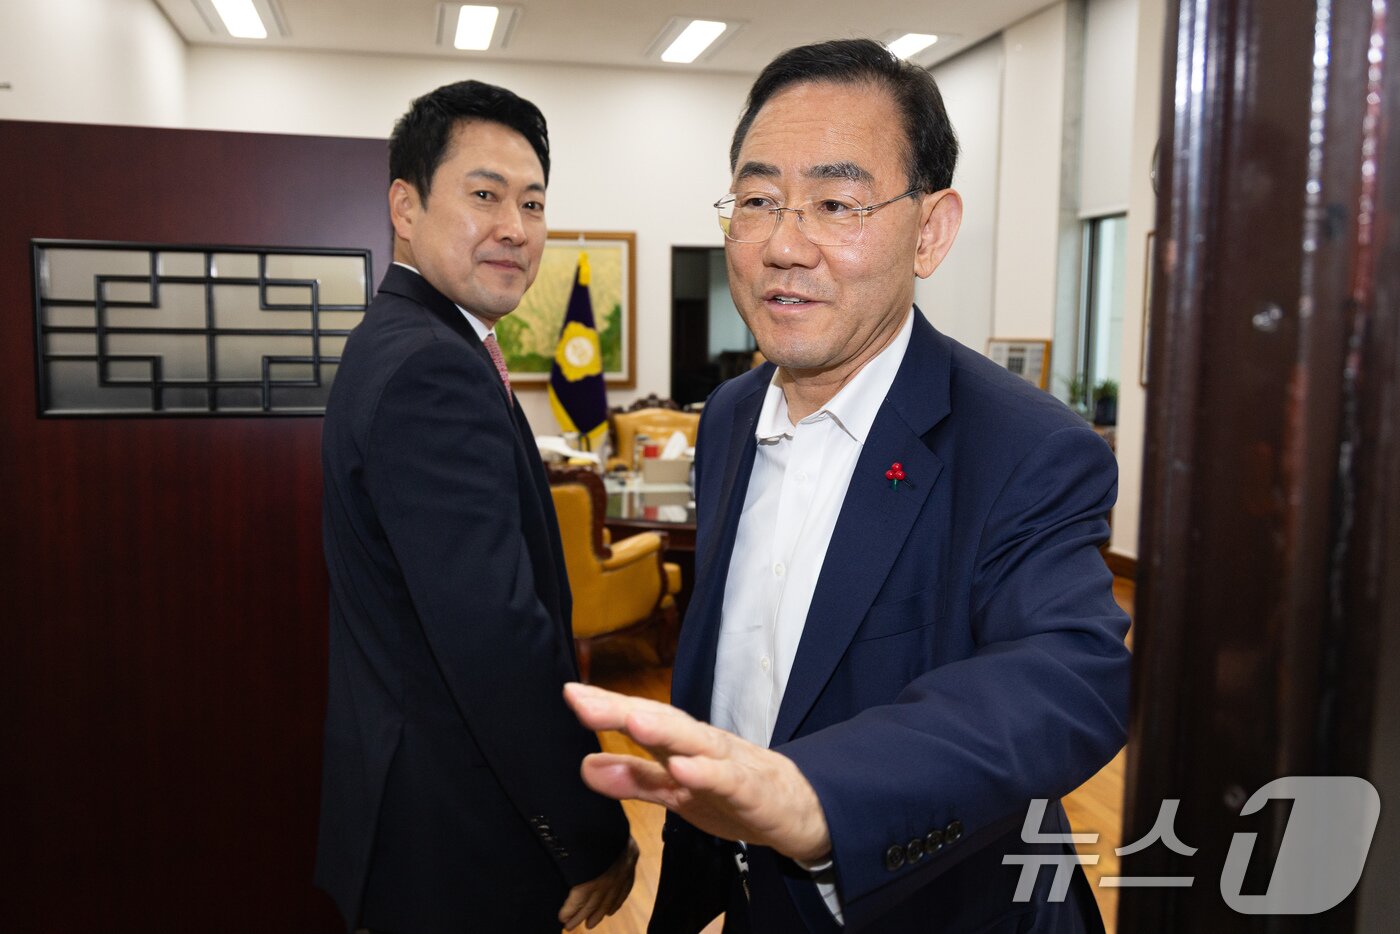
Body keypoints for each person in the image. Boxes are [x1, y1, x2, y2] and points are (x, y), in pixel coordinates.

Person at [565, 39, 1131, 933]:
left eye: (836, 203)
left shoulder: (1026, 446)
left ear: (931, 230)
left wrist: (814, 795)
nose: (785, 246)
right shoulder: (727, 419)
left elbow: (1068, 675)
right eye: (757, 202)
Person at [315, 79, 636, 933]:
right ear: (405, 207)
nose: (515, 228)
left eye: (532, 203)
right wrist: (593, 827)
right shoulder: (432, 367)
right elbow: (496, 641)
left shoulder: (401, 338)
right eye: (484, 194)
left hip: (412, 814)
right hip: (454, 835)